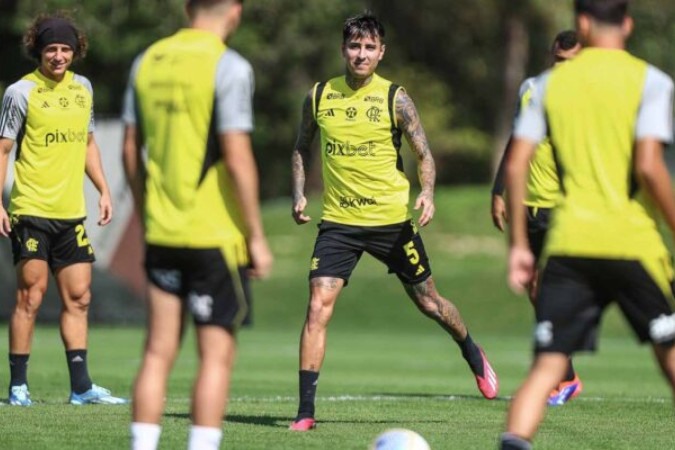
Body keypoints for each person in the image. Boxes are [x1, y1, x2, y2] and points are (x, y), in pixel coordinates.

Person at [289, 12, 498, 432]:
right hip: (339, 224)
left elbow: (424, 155)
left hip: (391, 223)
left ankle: (471, 351)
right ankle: (305, 413)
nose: (360, 54)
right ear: (343, 49)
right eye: (354, 46)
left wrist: (428, 192)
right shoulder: (318, 96)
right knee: (317, 307)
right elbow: (299, 148)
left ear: (381, 52)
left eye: (369, 47)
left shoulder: (395, 98)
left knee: (429, 303)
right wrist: (297, 192)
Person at [500, 1, 675, 448]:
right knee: (670, 355)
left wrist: (520, 245)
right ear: (629, 23)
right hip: (632, 243)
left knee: (545, 369)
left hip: (570, 242)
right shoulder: (652, 83)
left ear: (581, 23)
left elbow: (517, 165)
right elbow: (651, 169)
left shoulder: (545, 86)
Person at [122, 0, 273, 449]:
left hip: (161, 233)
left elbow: (131, 150)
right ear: (235, 11)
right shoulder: (229, 66)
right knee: (215, 357)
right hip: (212, 237)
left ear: (188, 7)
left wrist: (148, 207)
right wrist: (257, 236)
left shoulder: (147, 60)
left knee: (157, 351)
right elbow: (238, 156)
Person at [0, 12, 125, 406]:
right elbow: (2, 149)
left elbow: (88, 144)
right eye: (51, 48)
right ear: (38, 50)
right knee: (31, 297)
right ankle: (18, 386)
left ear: (75, 51)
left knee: (80, 298)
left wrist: (103, 189)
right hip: (32, 210)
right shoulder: (20, 92)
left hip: (71, 214)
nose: (58, 56)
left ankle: (81, 387)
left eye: (65, 49)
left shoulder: (83, 88)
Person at [491, 30, 583, 406]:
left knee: (554, 294)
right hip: (530, 207)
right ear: (550, 57)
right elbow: (517, 140)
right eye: (559, 61)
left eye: (571, 63)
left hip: (566, 209)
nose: (563, 69)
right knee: (536, 290)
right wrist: (498, 190)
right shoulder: (531, 88)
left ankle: (559, 375)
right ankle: (568, 375)